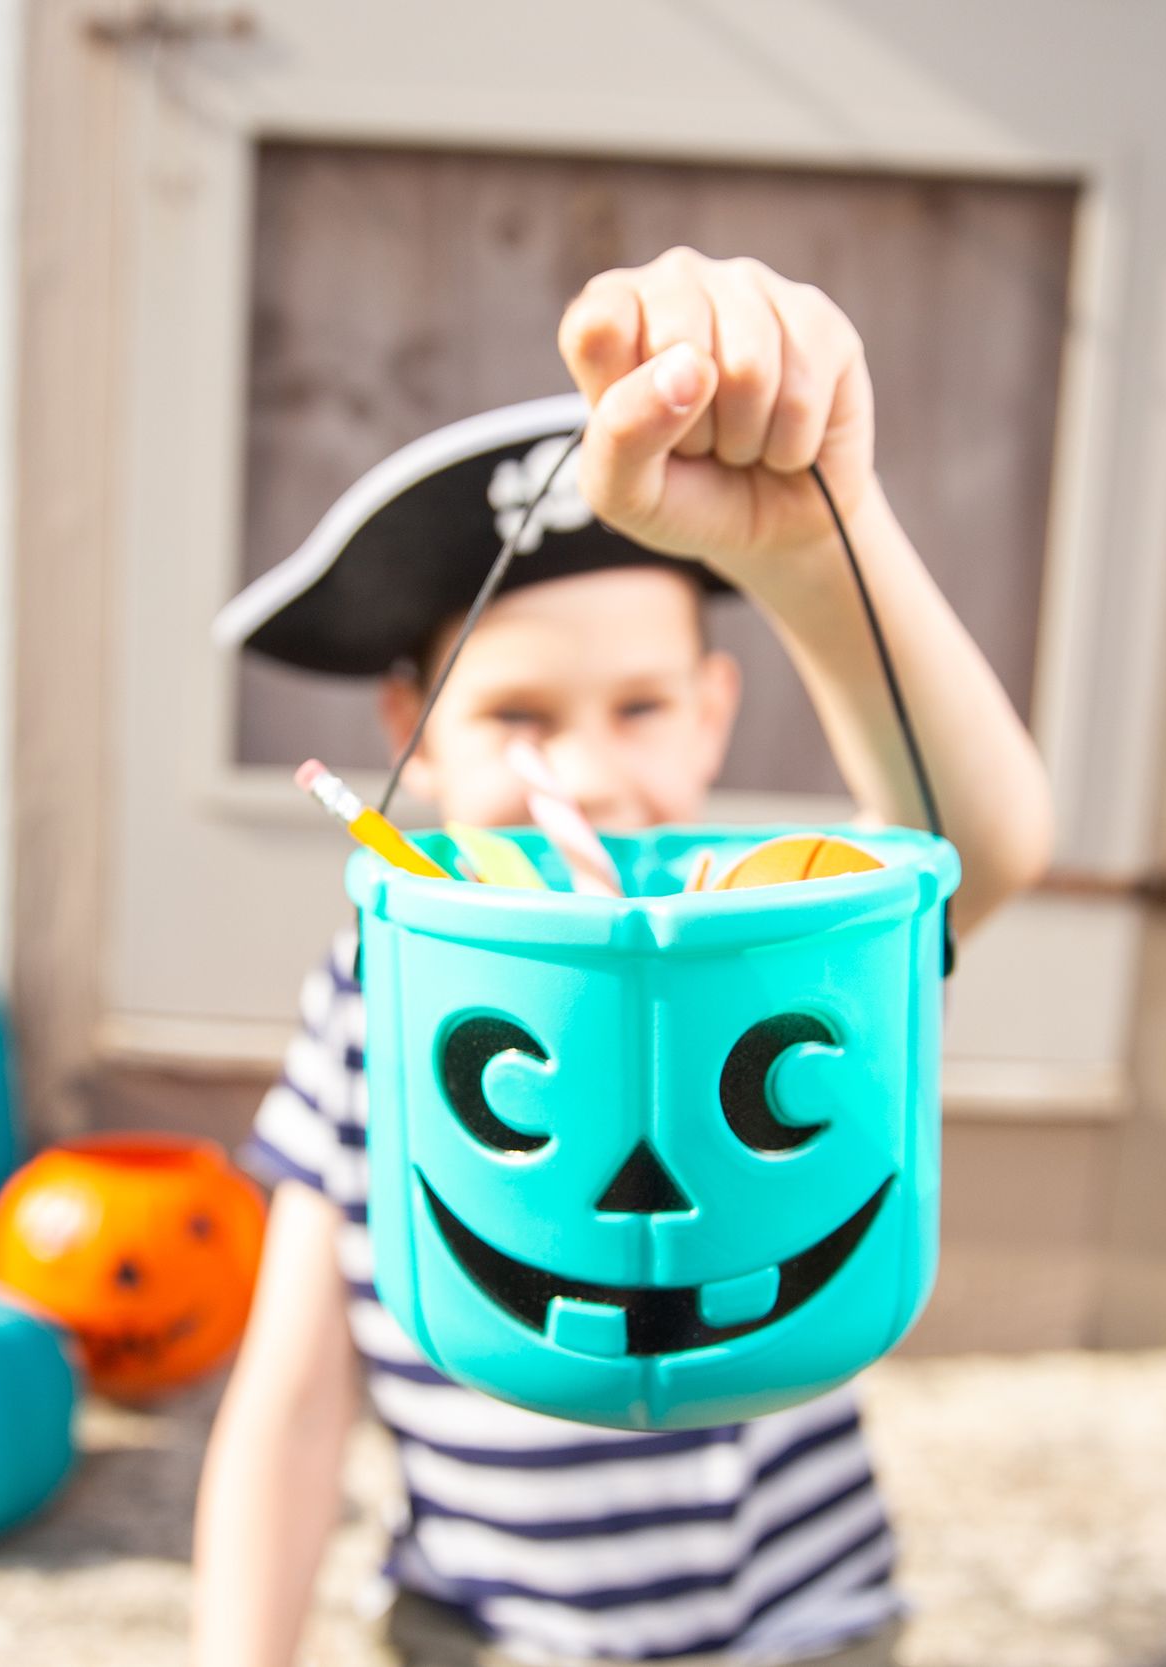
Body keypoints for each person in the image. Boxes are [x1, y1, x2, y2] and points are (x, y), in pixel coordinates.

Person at [193, 248, 1054, 1666]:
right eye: (519, 715)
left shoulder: (776, 934)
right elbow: (290, 1400)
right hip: (482, 1633)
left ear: (715, 713)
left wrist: (812, 555)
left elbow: (979, 844)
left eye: (640, 706)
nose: (585, 774)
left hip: (797, 1631)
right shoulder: (370, 992)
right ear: (413, 728)